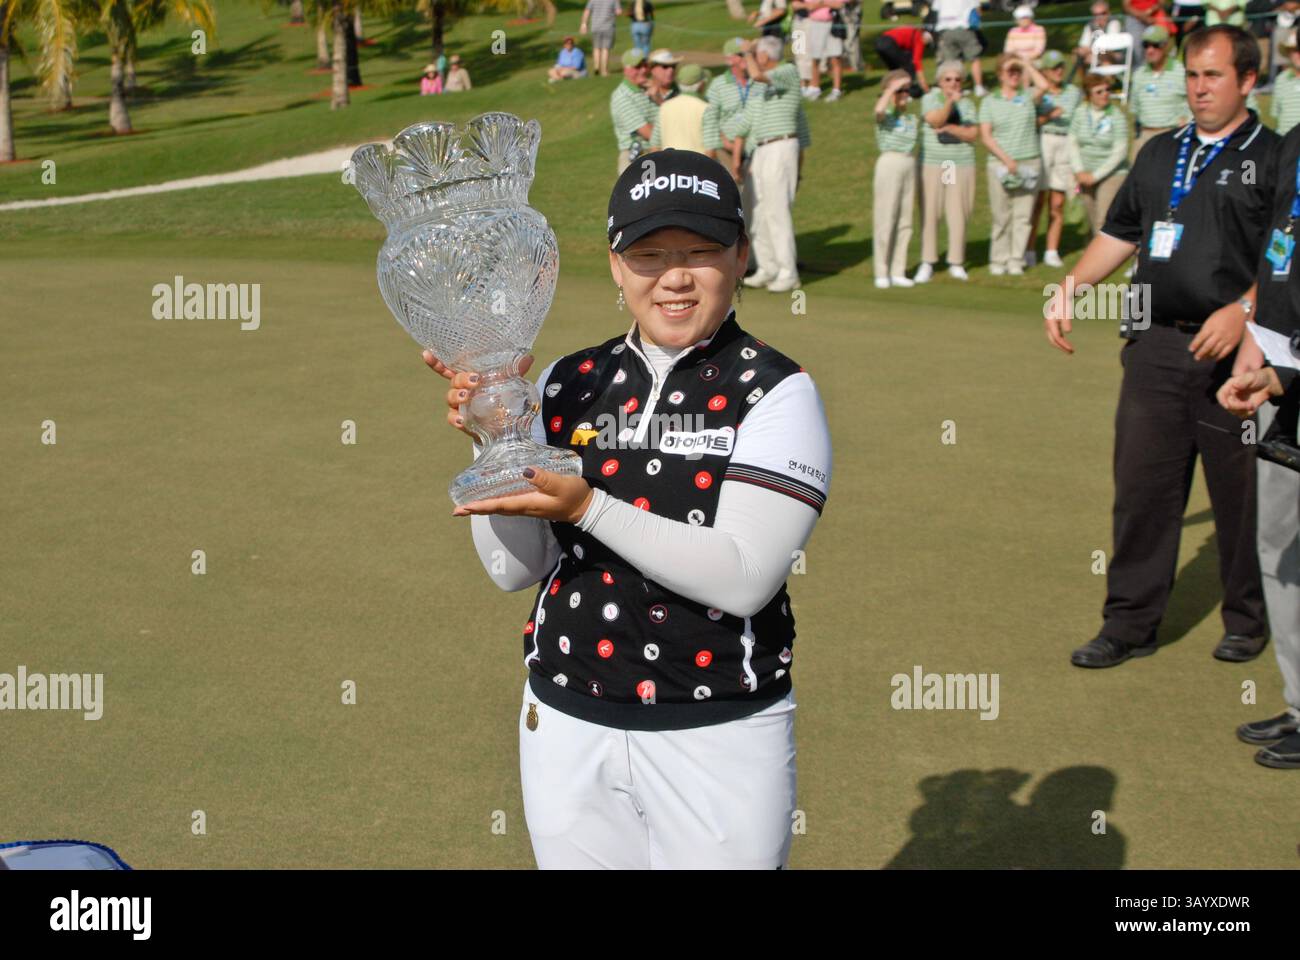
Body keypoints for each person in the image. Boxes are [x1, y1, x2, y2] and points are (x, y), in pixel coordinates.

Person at [424, 148, 833, 868]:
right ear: (616, 267)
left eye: (701, 251)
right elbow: (513, 570)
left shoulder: (775, 391)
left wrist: (587, 505)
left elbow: (744, 577)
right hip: (565, 719)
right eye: (648, 254)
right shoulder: (567, 380)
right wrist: (498, 440)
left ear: (740, 256)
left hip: (718, 732)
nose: (674, 277)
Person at [1044, 25, 1277, 669]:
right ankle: (1129, 624)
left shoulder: (1276, 157)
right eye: (1192, 75)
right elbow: (1120, 233)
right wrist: (1072, 285)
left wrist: (1245, 309)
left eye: (1214, 76)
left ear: (1248, 80)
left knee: (1242, 499)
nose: (1199, 88)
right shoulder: (1157, 152)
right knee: (1142, 492)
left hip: (1241, 358)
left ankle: (1247, 619)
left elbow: (1288, 260)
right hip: (1154, 348)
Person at [1215, 121, 1300, 769]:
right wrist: (1262, 358)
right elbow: (1278, 255)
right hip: (1284, 379)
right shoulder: (1293, 143)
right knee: (1279, 544)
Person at [725, 36, 811, 292]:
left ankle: (788, 271)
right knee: (759, 211)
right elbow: (746, 122)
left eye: (754, 55)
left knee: (776, 210)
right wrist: (735, 154)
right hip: (760, 149)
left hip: (780, 145)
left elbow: (759, 75)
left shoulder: (787, 71)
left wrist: (747, 52)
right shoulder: (760, 86)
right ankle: (768, 267)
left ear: (765, 55)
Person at [979, 54, 1050, 275]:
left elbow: (1044, 85)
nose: (1014, 75)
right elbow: (986, 136)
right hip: (1000, 163)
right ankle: (998, 259)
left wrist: (1025, 64)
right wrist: (1006, 159)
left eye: (1016, 72)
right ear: (1000, 74)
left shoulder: (1027, 96)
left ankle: (1015, 259)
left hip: (1029, 160)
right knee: (1002, 215)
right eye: (1010, 71)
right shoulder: (990, 101)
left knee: (1023, 215)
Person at [915, 60, 979, 283]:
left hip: (959, 162)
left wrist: (951, 128)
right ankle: (927, 261)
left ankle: (956, 261)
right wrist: (950, 104)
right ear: (940, 81)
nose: (953, 83)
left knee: (958, 212)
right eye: (948, 79)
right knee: (930, 212)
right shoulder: (930, 99)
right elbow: (936, 120)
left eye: (957, 79)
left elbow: (972, 134)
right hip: (934, 161)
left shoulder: (968, 103)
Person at [704, 38, 762, 274]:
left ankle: (761, 260)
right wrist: (721, 145)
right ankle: (738, 262)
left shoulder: (759, 82)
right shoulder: (718, 85)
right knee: (735, 207)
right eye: (742, 54)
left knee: (758, 207)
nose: (749, 58)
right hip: (728, 153)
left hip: (758, 152)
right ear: (730, 59)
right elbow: (711, 119)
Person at [1027, 50, 1083, 269]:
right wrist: (1049, 116)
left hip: (1066, 143)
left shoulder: (1074, 92)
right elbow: (1030, 121)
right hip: (1044, 141)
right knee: (1038, 201)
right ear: (1045, 72)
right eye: (1053, 68)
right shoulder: (1037, 93)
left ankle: (1052, 250)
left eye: (1061, 66)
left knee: (1057, 202)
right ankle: (1030, 249)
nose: (1059, 71)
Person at [873, 70, 921, 288]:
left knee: (905, 219)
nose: (904, 94)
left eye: (906, 90)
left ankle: (898, 269)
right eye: (900, 90)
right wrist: (892, 88)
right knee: (886, 217)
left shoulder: (911, 117)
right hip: (889, 161)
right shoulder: (885, 114)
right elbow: (879, 110)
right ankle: (881, 270)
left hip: (909, 162)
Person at [1067, 72, 1130, 235]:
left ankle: (1103, 257)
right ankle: (1092, 251)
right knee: (1090, 216)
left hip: (1111, 174)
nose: (1105, 94)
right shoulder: (1080, 112)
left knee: (1102, 219)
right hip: (1085, 172)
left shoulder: (1117, 116)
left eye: (1107, 90)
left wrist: (1095, 176)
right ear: (1089, 95)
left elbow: (1120, 151)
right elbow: (1072, 141)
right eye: (1099, 92)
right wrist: (1079, 170)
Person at [1129, 24, 1190, 157]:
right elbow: (1134, 110)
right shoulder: (1139, 75)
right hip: (1145, 134)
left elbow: (1193, 101)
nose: (1150, 50)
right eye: (1146, 45)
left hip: (1173, 134)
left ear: (1166, 46)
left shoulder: (1181, 71)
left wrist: (1187, 120)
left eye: (1155, 45)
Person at [611, 48, 657, 174]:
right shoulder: (622, 96)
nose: (643, 70)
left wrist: (658, 97)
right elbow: (649, 133)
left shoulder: (651, 89)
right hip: (637, 158)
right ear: (626, 69)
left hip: (655, 152)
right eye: (637, 67)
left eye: (645, 65)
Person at [933, 0, 986, 97]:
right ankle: (979, 87)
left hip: (945, 28)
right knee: (974, 58)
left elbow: (936, 10)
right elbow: (976, 9)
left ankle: (953, 89)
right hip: (964, 26)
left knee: (951, 61)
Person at [652, 63, 709, 152]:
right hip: (697, 164)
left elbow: (655, 145)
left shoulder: (665, 107)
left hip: (669, 163)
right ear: (701, 84)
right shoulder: (706, 108)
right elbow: (711, 149)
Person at [799, 0, 846, 101]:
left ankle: (836, 90)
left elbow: (839, 4)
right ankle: (815, 88)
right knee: (815, 58)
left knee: (835, 57)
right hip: (816, 23)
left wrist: (821, 3)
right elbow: (810, 6)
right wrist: (828, 3)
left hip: (834, 23)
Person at [875, 23, 933, 97]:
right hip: (889, 43)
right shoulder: (920, 38)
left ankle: (893, 92)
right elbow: (916, 62)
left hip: (879, 42)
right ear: (926, 39)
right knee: (908, 68)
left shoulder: (913, 31)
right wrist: (924, 85)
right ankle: (909, 93)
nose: (925, 47)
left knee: (895, 70)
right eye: (926, 45)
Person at [1073, 1, 1124, 84]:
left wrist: (1091, 52)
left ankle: (1107, 86)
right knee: (1076, 55)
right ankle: (1086, 84)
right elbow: (1083, 46)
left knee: (1104, 57)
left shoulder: (1114, 23)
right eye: (1096, 15)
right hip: (1096, 54)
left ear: (1108, 13)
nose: (1099, 17)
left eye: (1103, 13)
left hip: (1113, 56)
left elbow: (1110, 46)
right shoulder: (1090, 25)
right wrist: (1083, 51)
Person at [581, 0, 622, 77]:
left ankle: (596, 68)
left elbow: (587, 11)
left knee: (596, 48)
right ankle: (604, 71)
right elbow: (618, 12)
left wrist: (584, 24)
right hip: (608, 27)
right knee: (605, 49)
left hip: (595, 27)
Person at [1271, 29, 1300, 132]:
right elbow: (1278, 114)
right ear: (1288, 53)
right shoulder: (1281, 80)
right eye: (1295, 50)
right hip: (1286, 142)